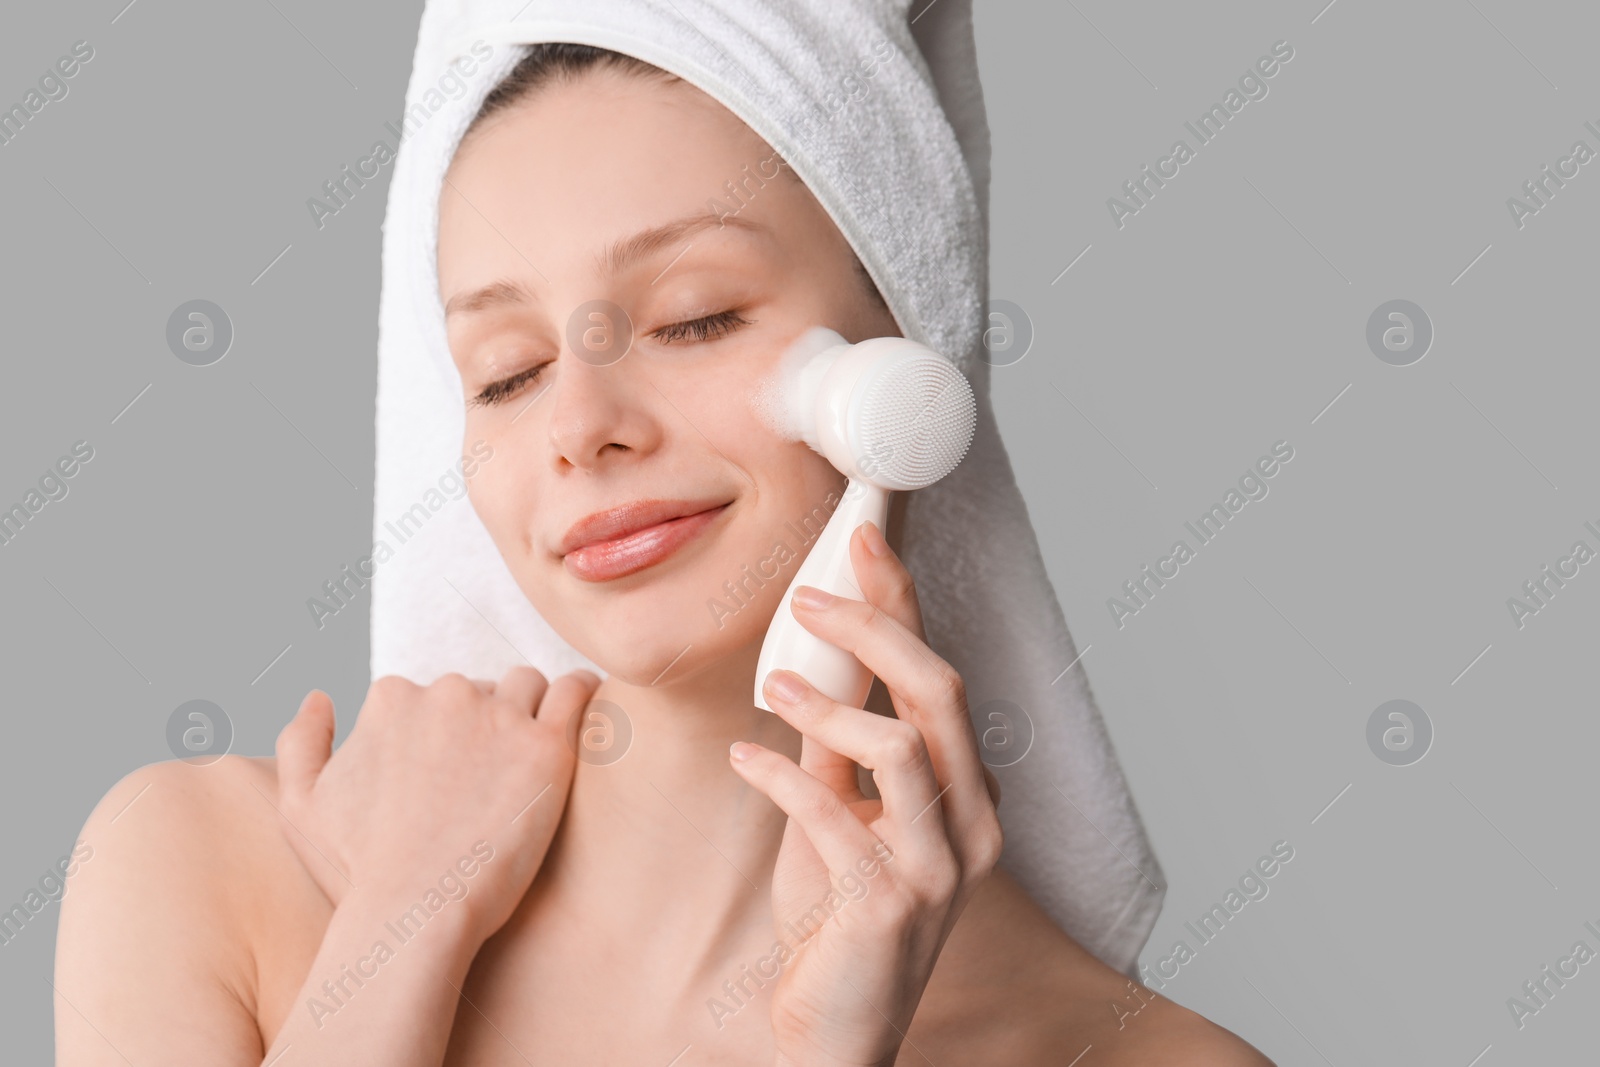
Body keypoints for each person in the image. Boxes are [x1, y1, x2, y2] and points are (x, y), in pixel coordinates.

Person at [54, 43, 1274, 1066]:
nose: (580, 429)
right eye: (507, 373)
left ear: (903, 350)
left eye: (696, 316)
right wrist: (396, 935)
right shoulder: (205, 866)